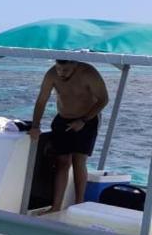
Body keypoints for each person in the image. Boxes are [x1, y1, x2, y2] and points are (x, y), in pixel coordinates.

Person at [30, 59, 109, 212]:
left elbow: (103, 99)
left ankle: (79, 204)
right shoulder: (52, 74)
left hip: (87, 119)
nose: (61, 73)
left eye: (65, 70)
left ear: (76, 64)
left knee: (79, 161)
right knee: (62, 162)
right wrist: (35, 126)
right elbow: (41, 101)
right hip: (63, 119)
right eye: (59, 69)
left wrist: (83, 120)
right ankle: (56, 206)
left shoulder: (89, 73)